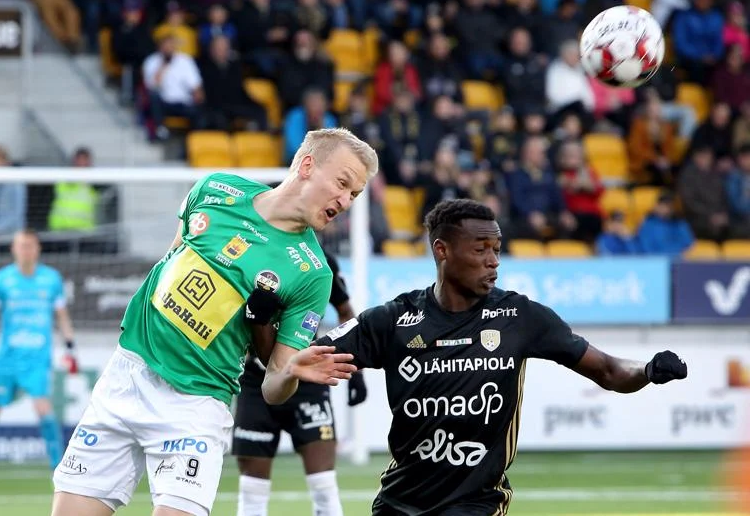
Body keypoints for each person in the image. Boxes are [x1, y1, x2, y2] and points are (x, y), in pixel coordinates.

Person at [256, 199, 687, 515]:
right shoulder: (393, 320)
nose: (493, 261)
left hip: (475, 503)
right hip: (399, 501)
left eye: (496, 249)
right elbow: (284, 363)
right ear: (442, 250)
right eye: (480, 249)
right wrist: (261, 320)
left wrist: (647, 370)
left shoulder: (520, 317)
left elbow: (609, 370)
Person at [50, 127, 379, 516]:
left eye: (354, 194)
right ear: (307, 165)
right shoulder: (214, 189)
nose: (345, 201)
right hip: (126, 376)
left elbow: (273, 387)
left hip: (196, 407)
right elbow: (173, 257)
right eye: (342, 184)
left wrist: (291, 371)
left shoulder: (313, 274)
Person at [233, 252, 367, 516]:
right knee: (251, 493)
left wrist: (357, 371)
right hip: (256, 382)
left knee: (324, 487)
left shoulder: (320, 262)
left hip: (308, 381)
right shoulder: (250, 252)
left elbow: (345, 312)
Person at [0, 229, 78, 494]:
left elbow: (62, 316)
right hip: (7, 359)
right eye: (21, 246)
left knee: (45, 411)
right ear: (13, 249)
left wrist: (70, 348)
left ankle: (58, 474)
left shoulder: (51, 279)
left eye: (30, 245)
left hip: (37, 359)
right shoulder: (1, 279)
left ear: (38, 248)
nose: (25, 250)